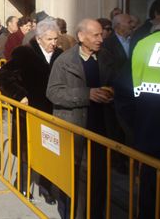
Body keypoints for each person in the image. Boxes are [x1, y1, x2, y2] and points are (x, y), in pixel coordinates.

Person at [47, 18, 115, 219]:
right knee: (76, 182)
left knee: (99, 180)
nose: (100, 39)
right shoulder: (64, 61)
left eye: (101, 34)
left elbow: (120, 83)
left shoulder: (107, 58)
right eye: (95, 35)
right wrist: (87, 94)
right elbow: (53, 92)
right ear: (81, 36)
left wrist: (112, 92)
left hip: (102, 131)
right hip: (76, 132)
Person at [0, 19, 63, 203]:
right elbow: (3, 77)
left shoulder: (60, 54)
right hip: (28, 113)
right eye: (49, 39)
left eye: (56, 39)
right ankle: (22, 184)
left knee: (50, 152)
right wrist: (19, 96)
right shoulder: (24, 53)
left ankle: (46, 188)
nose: (53, 43)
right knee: (28, 152)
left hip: (52, 113)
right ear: (39, 39)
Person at [131, 26, 160, 219]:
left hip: (150, 146)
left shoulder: (147, 43)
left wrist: (139, 131)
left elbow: (126, 94)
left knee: (152, 207)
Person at [103, 14, 135, 145]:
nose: (132, 24)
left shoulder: (135, 41)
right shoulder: (107, 45)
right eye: (129, 22)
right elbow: (108, 70)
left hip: (133, 92)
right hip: (117, 93)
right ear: (118, 26)